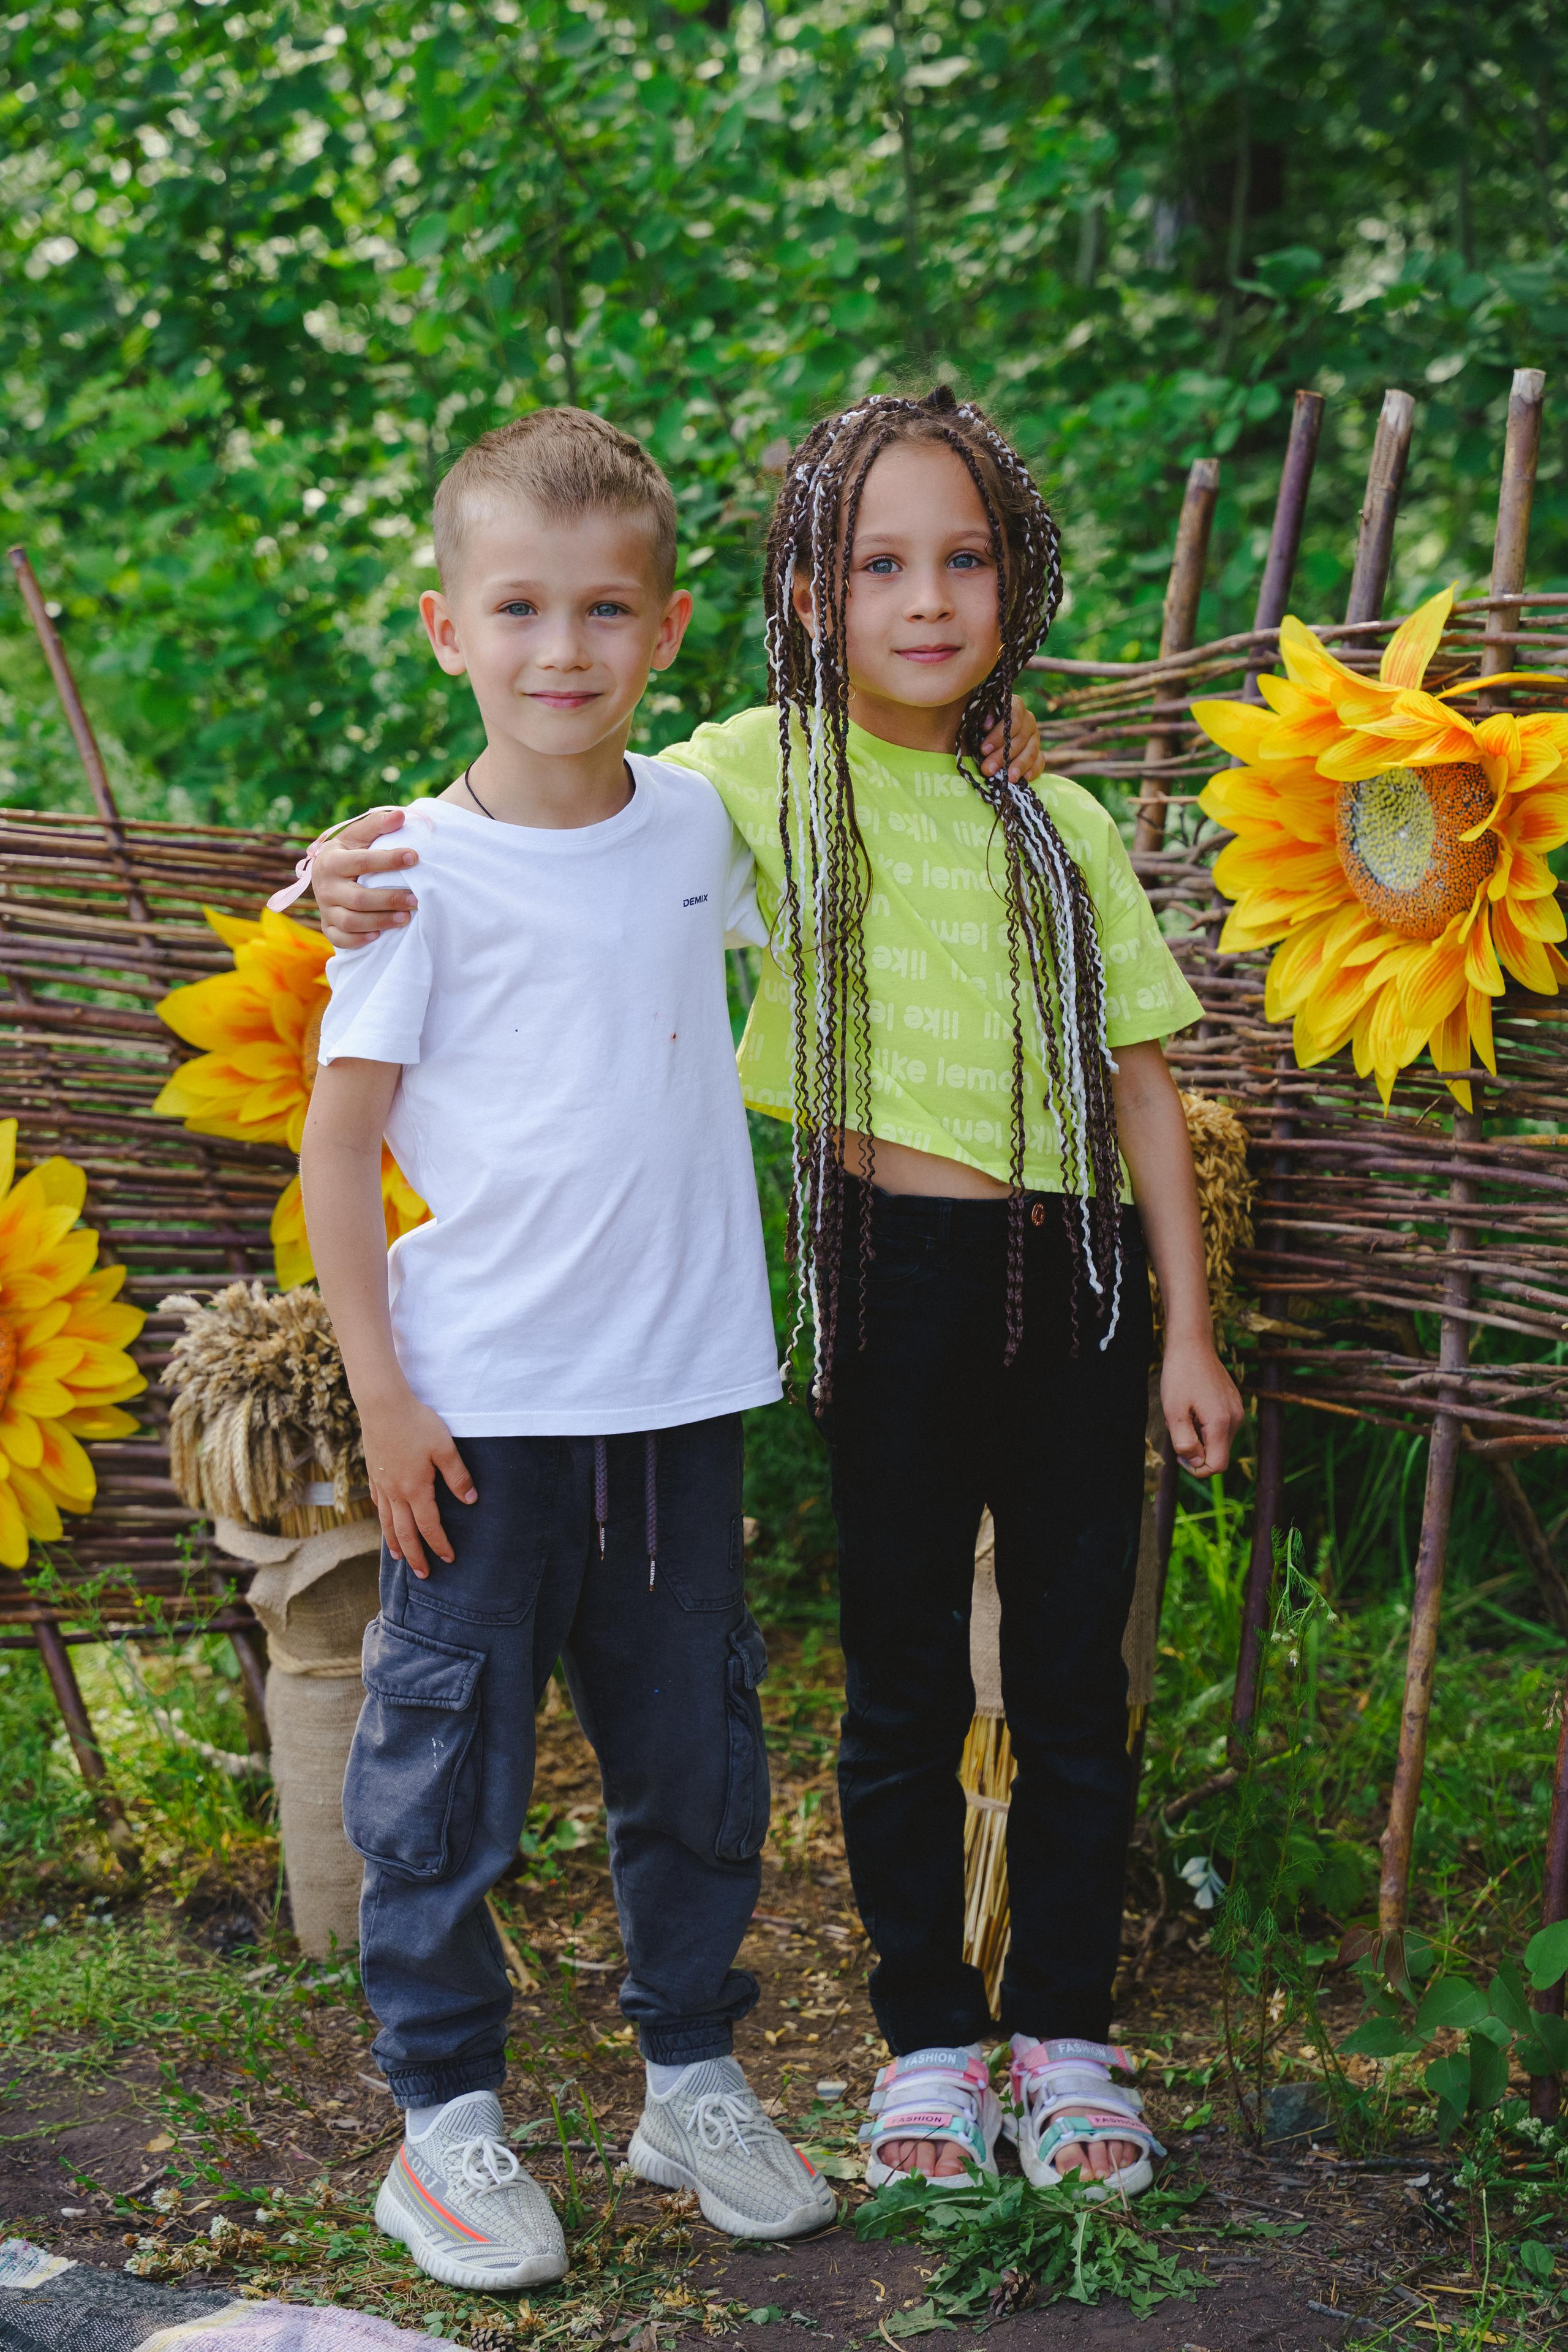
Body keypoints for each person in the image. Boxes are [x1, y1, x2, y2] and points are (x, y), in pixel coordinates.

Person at [308, 386, 1244, 2203]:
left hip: (1077, 1294)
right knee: (894, 1681)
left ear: (1016, 582)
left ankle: (1061, 2037)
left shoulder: (1055, 817)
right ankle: (920, 2047)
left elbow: (1141, 1078)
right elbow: (522, 809)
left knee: (1063, 1674)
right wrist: (325, 872)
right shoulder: (753, 771)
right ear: (808, 599)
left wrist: (1189, 1326)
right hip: (882, 1279)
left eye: (962, 561)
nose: (924, 599)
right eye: (877, 563)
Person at [298, 409, 842, 2290]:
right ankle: (442, 2123)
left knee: (694, 1755)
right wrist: (381, 1393)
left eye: (603, 611)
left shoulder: (700, 824)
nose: (561, 650)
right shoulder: (405, 877)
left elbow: (866, 835)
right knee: (447, 1769)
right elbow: (340, 1146)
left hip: (681, 1393)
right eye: (516, 609)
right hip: (479, 1411)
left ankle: (688, 2075)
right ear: (444, 627)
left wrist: (995, 746)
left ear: (667, 629)